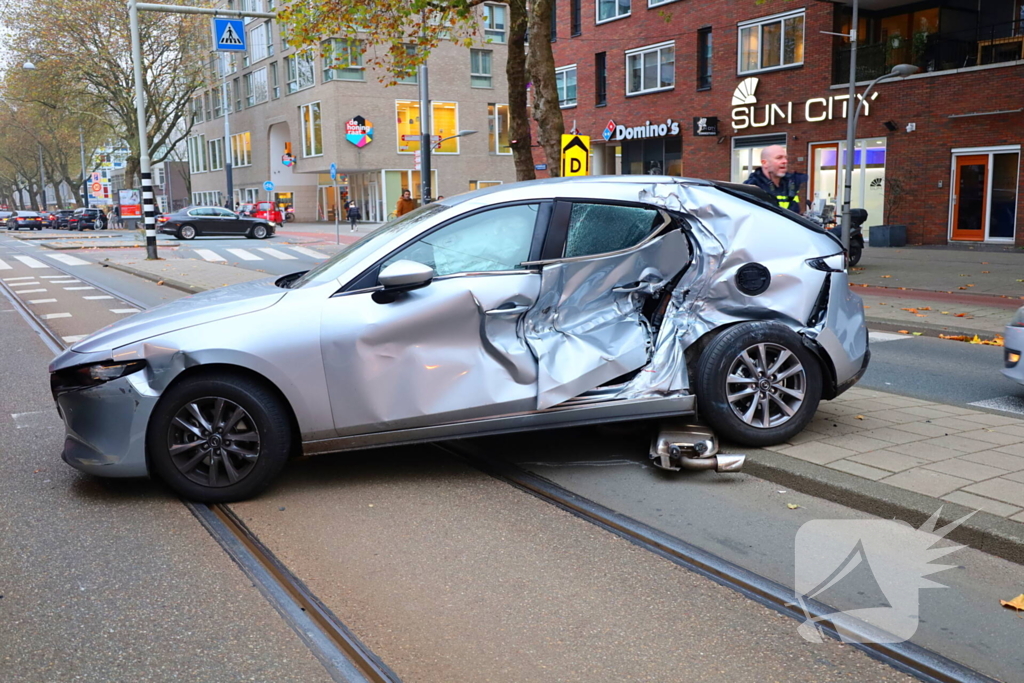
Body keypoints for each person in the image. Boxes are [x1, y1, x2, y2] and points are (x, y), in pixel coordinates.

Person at [743, 145, 808, 214]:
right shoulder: (751, 187)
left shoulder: (790, 185)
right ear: (764, 163)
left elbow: (795, 212)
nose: (785, 161)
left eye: (785, 158)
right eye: (779, 158)